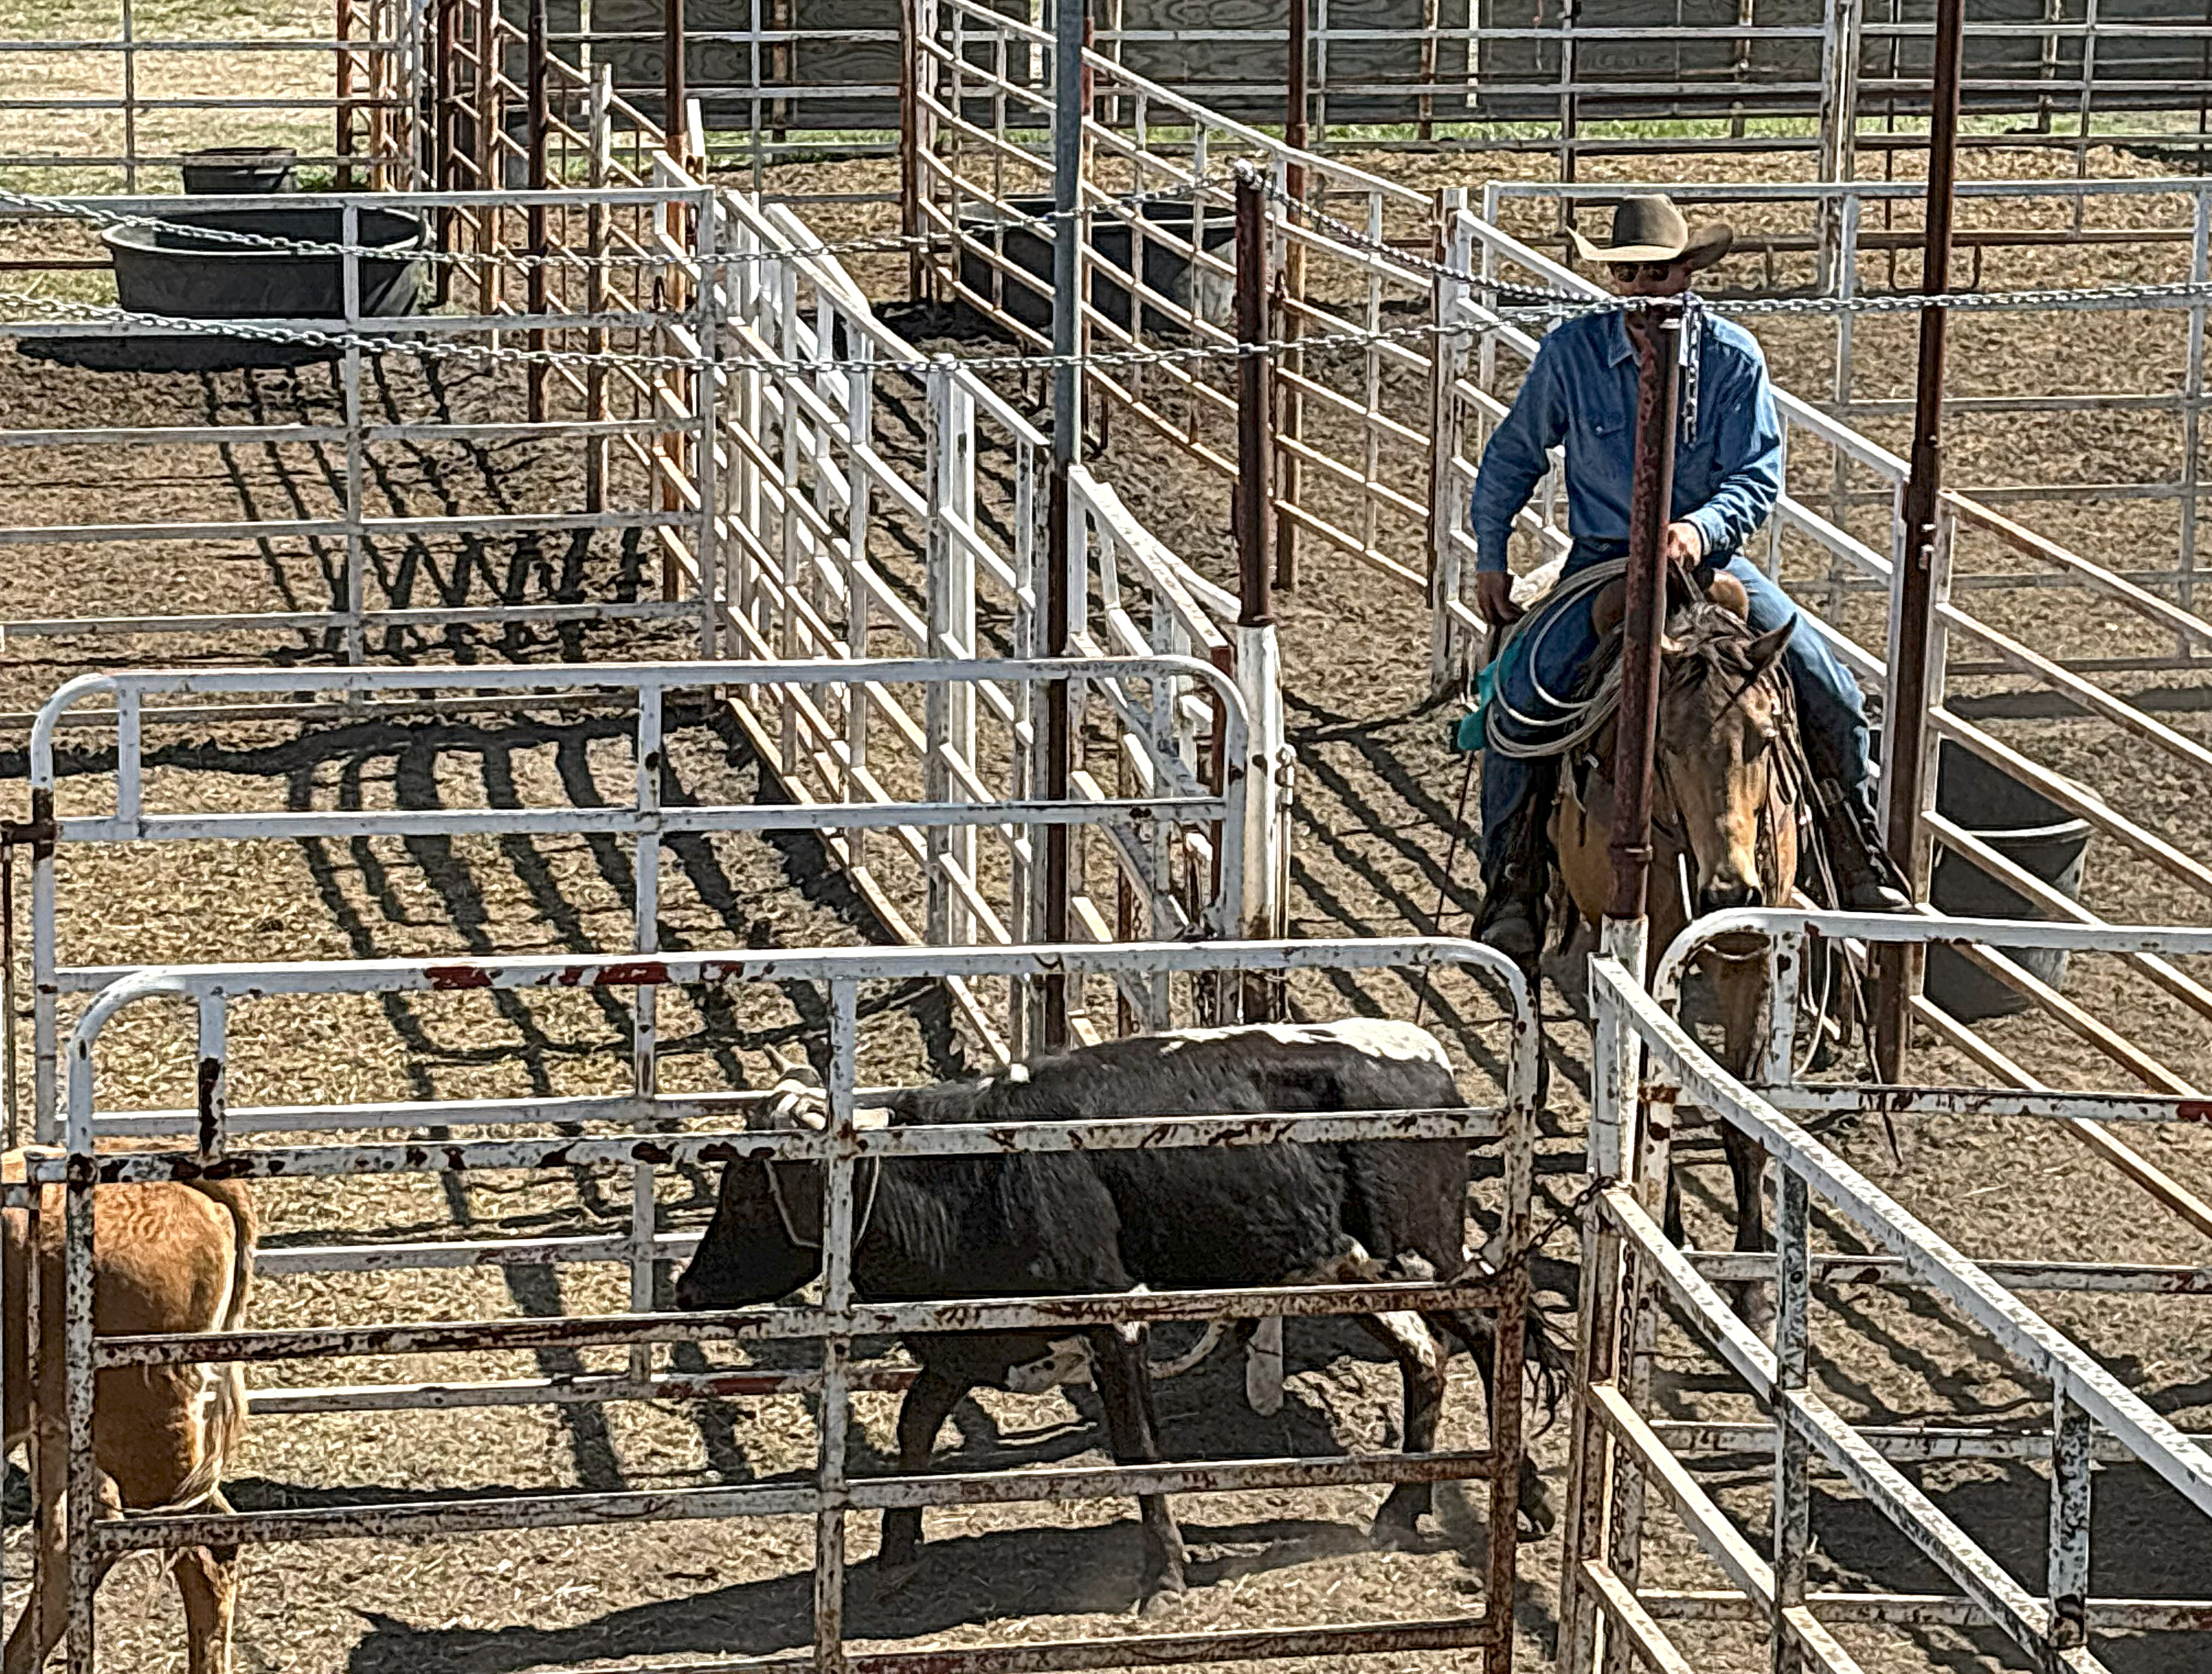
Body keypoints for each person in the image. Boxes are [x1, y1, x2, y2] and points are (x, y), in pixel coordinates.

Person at [1465, 194, 1906, 958]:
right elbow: (1514, 455)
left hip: (1710, 561)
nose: (1645, 291)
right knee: (1520, 700)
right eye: (1631, 276)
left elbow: (1756, 474)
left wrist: (1700, 529)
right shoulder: (1572, 353)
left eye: (1659, 274)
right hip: (1603, 558)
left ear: (1688, 272)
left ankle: (1853, 851)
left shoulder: (1733, 358)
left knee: (1830, 690)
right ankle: (1511, 880)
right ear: (1614, 280)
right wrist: (1491, 553)